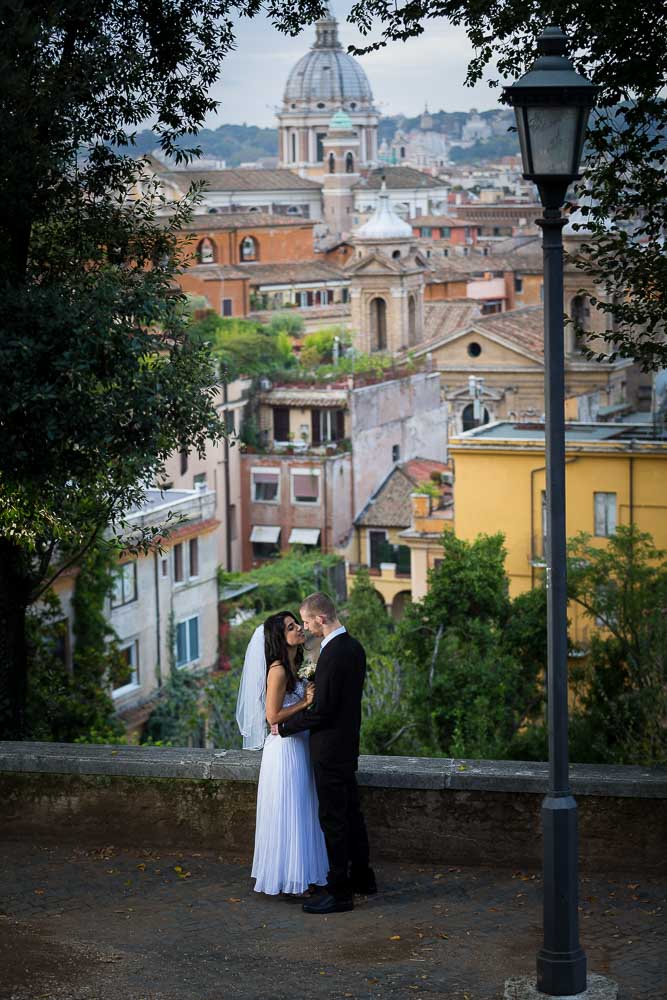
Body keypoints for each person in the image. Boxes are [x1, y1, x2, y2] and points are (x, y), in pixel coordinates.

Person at [277, 592, 375, 914]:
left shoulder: (333, 653)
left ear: (321, 618)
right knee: (352, 814)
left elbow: (323, 710)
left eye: (306, 621)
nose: (306, 628)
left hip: (330, 749)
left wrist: (286, 728)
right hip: (347, 745)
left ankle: (340, 893)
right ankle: (363, 878)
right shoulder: (355, 648)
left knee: (333, 818)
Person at [236, 611, 328, 897]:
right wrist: (304, 703)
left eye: (297, 624)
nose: (299, 629)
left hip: (299, 745)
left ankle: (303, 875)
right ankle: (289, 881)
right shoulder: (277, 670)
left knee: (300, 810)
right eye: (291, 627)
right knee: (288, 811)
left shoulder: (295, 665)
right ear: (281, 638)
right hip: (284, 750)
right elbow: (272, 716)